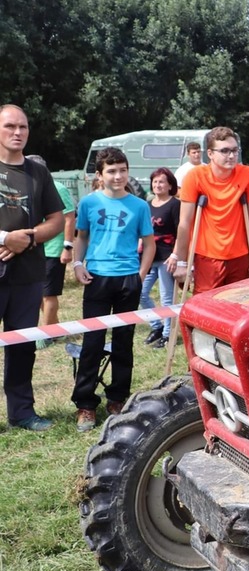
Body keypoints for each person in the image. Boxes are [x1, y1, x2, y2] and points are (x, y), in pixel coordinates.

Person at [71, 147, 155, 432]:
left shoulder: (140, 206)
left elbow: (150, 243)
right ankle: (85, 405)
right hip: (97, 279)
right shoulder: (89, 203)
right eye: (111, 171)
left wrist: (140, 275)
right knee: (92, 343)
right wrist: (77, 264)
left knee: (124, 341)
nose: (118, 176)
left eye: (122, 170)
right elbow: (81, 237)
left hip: (127, 280)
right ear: (100, 175)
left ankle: (118, 399)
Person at [0, 105, 66, 432]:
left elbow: (57, 219)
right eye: (10, 126)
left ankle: (22, 413)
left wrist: (29, 238)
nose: (17, 132)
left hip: (27, 276)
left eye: (23, 127)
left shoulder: (38, 172)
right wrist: (5, 238)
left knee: (22, 346)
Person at [167, 126, 249, 293]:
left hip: (241, 255)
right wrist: (181, 262)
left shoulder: (248, 174)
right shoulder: (195, 176)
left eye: (234, 150)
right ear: (210, 154)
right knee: (206, 309)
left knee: (238, 308)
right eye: (225, 151)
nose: (232, 156)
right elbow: (185, 222)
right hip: (207, 257)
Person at [24, 155, 75, 349]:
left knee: (48, 294)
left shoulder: (58, 188)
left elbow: (69, 219)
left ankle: (46, 334)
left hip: (54, 250)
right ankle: (55, 328)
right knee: (39, 293)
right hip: (36, 249)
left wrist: (67, 247)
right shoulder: (32, 189)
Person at [139, 168, 181, 349]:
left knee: (166, 298)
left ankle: (167, 334)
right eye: (155, 182)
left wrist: (175, 255)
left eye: (161, 182)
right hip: (148, 256)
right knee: (140, 292)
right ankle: (156, 326)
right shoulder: (147, 204)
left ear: (170, 185)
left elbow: (181, 232)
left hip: (166, 256)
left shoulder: (175, 204)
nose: (158, 185)